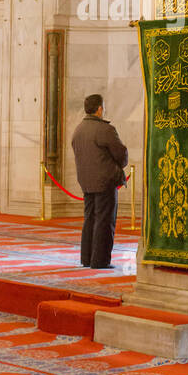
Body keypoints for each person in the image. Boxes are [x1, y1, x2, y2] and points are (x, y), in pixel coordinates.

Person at [71, 93, 128, 269]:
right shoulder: (105, 130)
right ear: (99, 109)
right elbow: (121, 155)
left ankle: (87, 258)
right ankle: (100, 260)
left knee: (90, 219)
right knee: (104, 221)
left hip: (87, 182)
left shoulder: (78, 129)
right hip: (105, 182)